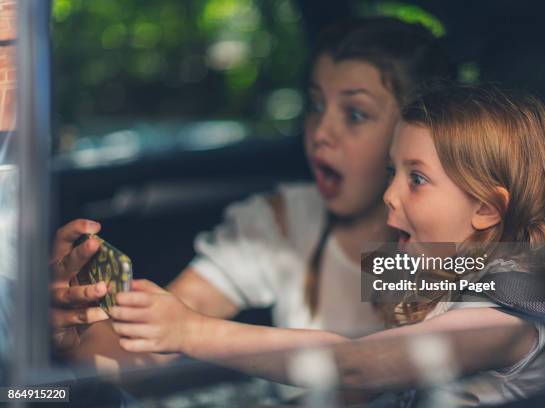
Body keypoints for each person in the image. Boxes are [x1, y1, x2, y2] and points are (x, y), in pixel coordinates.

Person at [105, 84, 545, 406]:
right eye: (393, 173)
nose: (389, 194)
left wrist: (192, 331)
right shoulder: (442, 278)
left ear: (487, 209)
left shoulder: (504, 318)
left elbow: (354, 366)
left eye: (417, 179)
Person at [51, 18, 448, 368]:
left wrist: (192, 332)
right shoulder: (281, 220)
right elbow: (153, 345)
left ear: (417, 133)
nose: (320, 132)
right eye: (314, 105)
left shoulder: (469, 243)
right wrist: (71, 335)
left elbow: (362, 367)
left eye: (355, 114)